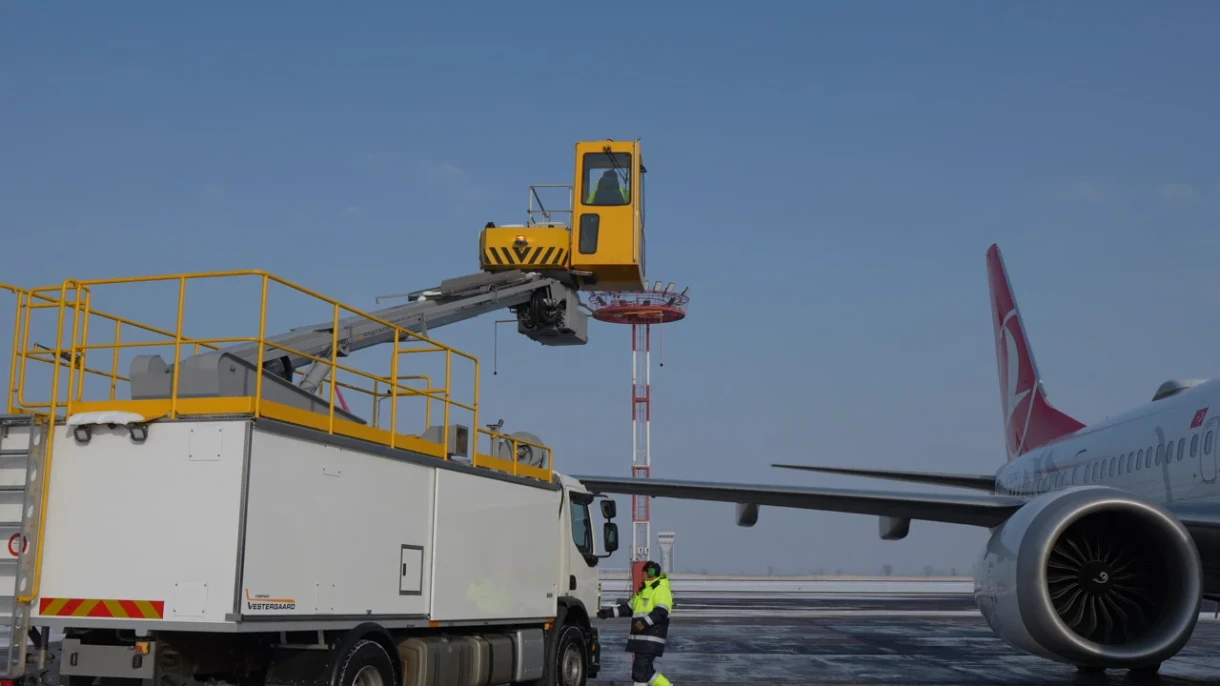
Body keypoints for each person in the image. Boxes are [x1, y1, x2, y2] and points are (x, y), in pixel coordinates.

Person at [597, 560, 674, 686]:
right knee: (645, 671)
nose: (641, 575)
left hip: (651, 639)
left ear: (650, 572)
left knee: (639, 670)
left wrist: (644, 623)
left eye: (643, 572)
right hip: (641, 639)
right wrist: (607, 613)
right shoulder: (643, 591)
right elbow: (627, 609)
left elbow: (661, 612)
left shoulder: (661, 590)